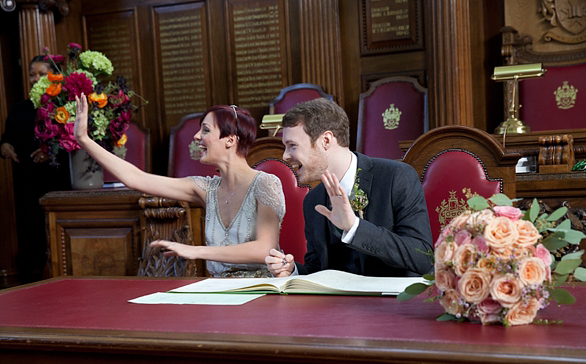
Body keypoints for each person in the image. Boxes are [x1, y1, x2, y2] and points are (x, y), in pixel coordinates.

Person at [73, 95, 285, 277]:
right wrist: (84, 139)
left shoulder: (266, 183)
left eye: (205, 130)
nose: (196, 137)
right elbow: (135, 178)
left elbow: (264, 248)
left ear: (229, 140)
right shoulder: (205, 189)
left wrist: (196, 251)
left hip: (263, 288)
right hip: (221, 292)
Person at [266, 98, 433, 277]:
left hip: (392, 302)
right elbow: (318, 270)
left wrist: (354, 227)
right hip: (337, 305)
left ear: (326, 140)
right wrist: (293, 270)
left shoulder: (396, 177)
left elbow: (423, 258)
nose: (285, 156)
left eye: (292, 146)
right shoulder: (313, 200)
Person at [0, 55, 71, 283]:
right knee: (32, 241)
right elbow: (6, 139)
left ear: (54, 77)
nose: (35, 79)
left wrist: (52, 150)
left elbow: (73, 143)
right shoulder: (20, 109)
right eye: (32, 74)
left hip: (56, 183)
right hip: (26, 186)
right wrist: (5, 147)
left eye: (41, 74)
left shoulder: (62, 107)